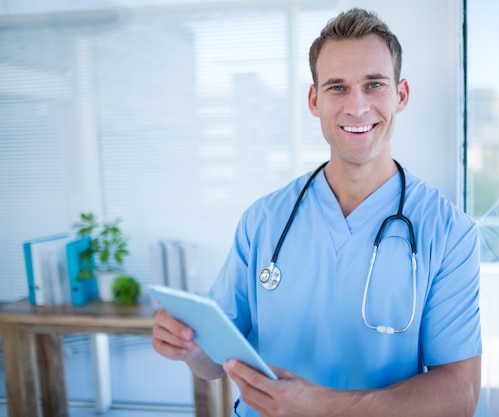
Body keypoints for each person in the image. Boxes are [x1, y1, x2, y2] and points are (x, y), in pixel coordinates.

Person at [152, 7, 481, 417]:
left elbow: (460, 393)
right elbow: (215, 363)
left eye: (374, 84)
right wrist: (189, 346)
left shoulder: (449, 231)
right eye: (337, 87)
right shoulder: (264, 220)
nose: (356, 107)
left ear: (402, 95)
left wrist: (326, 407)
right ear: (314, 100)